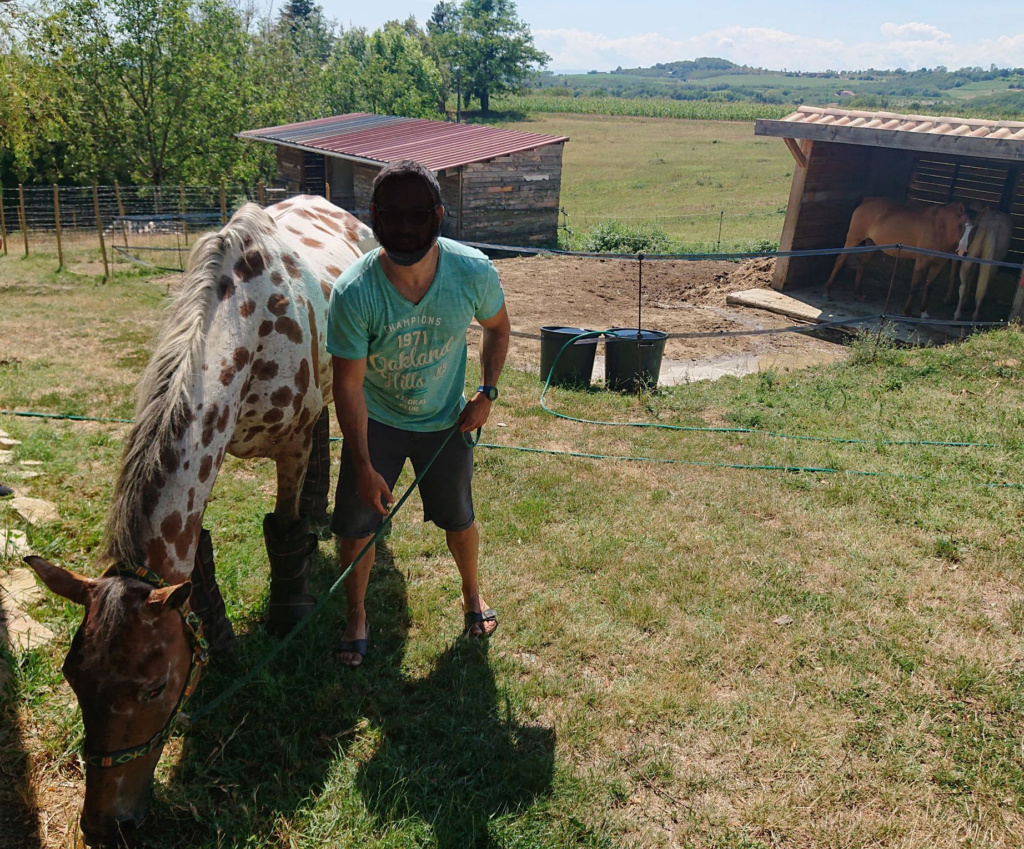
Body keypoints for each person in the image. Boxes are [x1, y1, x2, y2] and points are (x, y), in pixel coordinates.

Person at [326, 160, 511, 668]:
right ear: (374, 217)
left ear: (438, 215)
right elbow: (348, 384)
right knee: (357, 526)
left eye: (417, 216)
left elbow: (498, 327)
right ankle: (357, 615)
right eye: (393, 216)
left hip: (445, 420)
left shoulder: (472, 270)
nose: (406, 227)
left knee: (460, 518)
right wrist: (363, 464)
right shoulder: (354, 292)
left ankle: (472, 596)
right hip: (378, 421)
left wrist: (487, 393)